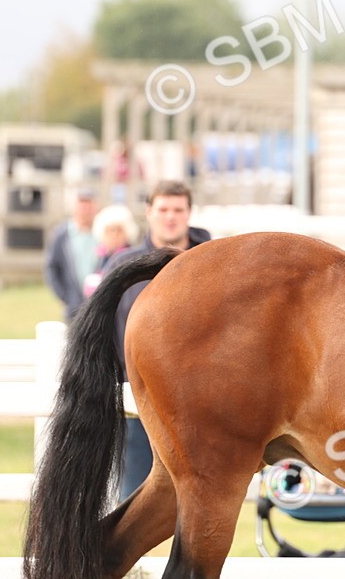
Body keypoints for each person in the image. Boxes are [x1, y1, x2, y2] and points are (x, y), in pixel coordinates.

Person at [106, 180, 212, 500]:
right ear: (148, 213)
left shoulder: (215, 264)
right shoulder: (123, 267)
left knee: (200, 503)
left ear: (189, 213)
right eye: (163, 209)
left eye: (178, 210)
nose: (170, 217)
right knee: (134, 497)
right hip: (138, 403)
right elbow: (107, 332)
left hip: (202, 405)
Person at [44, 187, 99, 323]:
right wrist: (67, 297)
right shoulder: (61, 236)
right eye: (81, 205)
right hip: (73, 308)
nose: (85, 210)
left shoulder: (103, 233)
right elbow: (52, 268)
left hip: (99, 306)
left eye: (88, 205)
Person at [83, 204, 140, 297]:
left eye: (119, 230)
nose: (114, 235)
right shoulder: (100, 256)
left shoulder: (131, 257)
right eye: (110, 230)